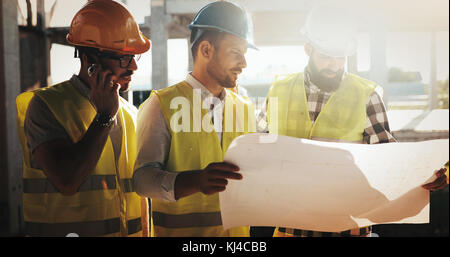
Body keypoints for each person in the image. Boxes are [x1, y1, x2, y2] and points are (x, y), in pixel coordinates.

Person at [257, 5, 448, 237]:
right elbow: (259, 154)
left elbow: (390, 160)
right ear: (308, 49)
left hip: (347, 230)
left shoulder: (367, 96)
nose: (334, 64)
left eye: (340, 56)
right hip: (290, 230)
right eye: (326, 55)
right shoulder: (279, 91)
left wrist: (428, 173)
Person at [15, 0, 151, 237]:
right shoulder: (46, 107)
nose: (133, 67)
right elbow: (67, 181)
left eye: (135, 57)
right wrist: (104, 117)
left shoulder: (131, 114)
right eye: (123, 58)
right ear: (90, 61)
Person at [133, 1, 256, 237]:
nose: (243, 63)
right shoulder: (161, 105)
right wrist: (196, 181)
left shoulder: (245, 107)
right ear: (206, 50)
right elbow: (142, 180)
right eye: (235, 52)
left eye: (244, 54)